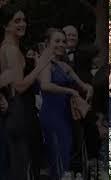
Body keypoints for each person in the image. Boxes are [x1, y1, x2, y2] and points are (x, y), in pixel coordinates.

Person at [0, 4, 51, 180]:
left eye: (24, 20)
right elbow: (20, 86)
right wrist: (42, 64)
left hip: (18, 111)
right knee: (22, 168)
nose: (23, 24)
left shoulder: (11, 48)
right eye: (17, 21)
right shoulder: (11, 50)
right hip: (18, 112)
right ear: (6, 26)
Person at [38, 28, 93, 179]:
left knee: (65, 155)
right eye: (57, 41)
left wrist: (89, 89)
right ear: (47, 43)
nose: (61, 44)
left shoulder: (64, 66)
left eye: (63, 41)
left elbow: (83, 84)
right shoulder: (44, 63)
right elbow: (45, 85)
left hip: (66, 116)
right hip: (51, 116)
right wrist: (70, 92)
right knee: (57, 158)